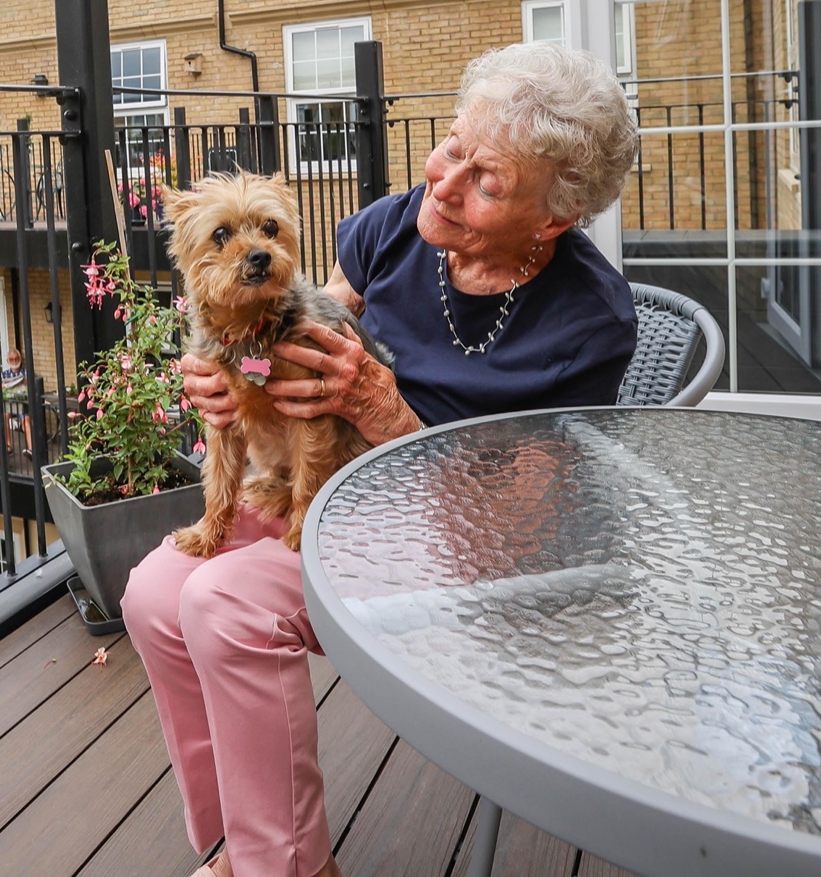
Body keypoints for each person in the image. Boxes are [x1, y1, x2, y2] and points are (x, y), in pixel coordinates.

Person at [123, 42, 641, 877]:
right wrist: (233, 384)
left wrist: (387, 410)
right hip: (328, 485)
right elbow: (306, 325)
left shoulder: (588, 322)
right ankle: (244, 845)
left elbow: (516, 528)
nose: (443, 181)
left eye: (488, 181)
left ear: (553, 218)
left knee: (224, 601)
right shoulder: (395, 229)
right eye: (452, 146)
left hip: (458, 546)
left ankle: (285, 866)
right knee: (152, 592)